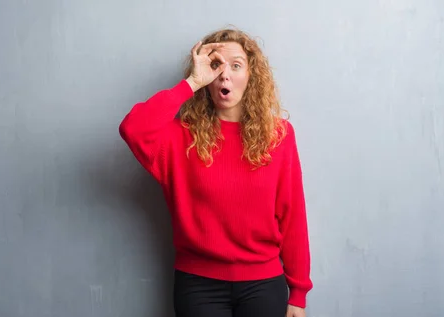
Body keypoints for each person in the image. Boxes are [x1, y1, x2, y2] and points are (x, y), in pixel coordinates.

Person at [118, 28, 312, 317]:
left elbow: (292, 212)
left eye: (236, 65)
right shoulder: (179, 138)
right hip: (198, 286)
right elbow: (133, 128)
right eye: (215, 64)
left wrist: (298, 292)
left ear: (251, 76)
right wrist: (191, 83)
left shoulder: (279, 135)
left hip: (263, 284)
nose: (225, 75)